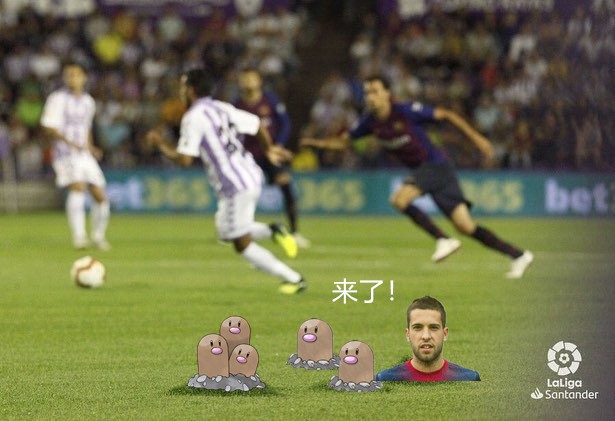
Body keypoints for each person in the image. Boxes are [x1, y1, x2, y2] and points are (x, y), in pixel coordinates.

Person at [301, 74, 533, 279]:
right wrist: (318, 144)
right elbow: (345, 142)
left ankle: (443, 239)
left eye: (375, 91)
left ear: (387, 93)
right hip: (434, 171)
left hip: (435, 166)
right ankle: (519, 255)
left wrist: (477, 139)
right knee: (465, 226)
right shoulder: (369, 122)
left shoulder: (405, 111)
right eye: (367, 92)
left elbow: (447, 115)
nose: (370, 97)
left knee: (399, 200)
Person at [146, 68, 306, 294]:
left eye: (183, 86)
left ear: (190, 90)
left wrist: (160, 145)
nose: (180, 91)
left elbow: (184, 160)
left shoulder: (193, 117)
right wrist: (268, 149)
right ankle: (273, 230)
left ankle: (294, 279)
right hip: (250, 173)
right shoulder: (222, 107)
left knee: (241, 243)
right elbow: (257, 125)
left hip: (235, 184)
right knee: (224, 231)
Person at [233, 68, 310, 248]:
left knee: (286, 185)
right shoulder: (236, 104)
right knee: (241, 194)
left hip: (271, 155)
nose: (248, 82)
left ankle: (295, 232)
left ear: (259, 81)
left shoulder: (270, 100)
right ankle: (237, 231)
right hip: (248, 157)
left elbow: (285, 124)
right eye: (245, 79)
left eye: (252, 78)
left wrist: (279, 145)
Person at [40, 62, 111, 250]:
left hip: (84, 153)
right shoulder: (57, 99)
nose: (72, 78)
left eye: (76, 75)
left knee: (100, 195)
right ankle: (79, 237)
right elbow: (48, 127)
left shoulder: (89, 102)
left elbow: (86, 128)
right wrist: (70, 142)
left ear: (84, 78)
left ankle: (98, 236)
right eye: (68, 75)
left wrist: (91, 147)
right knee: (78, 187)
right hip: (64, 153)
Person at [376, 296, 480, 381]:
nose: (426, 336)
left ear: (445, 334)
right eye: (417, 328)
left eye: (434, 328)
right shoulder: (385, 379)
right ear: (408, 334)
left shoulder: (468, 378)